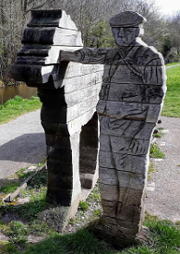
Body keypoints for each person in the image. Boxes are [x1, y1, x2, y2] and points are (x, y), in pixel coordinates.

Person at [60, 11, 166, 241]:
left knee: (130, 177)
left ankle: (126, 229)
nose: (121, 35)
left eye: (127, 30)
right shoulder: (114, 55)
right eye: (117, 31)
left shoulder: (150, 58)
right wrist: (63, 53)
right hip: (107, 127)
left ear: (138, 30)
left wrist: (144, 137)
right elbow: (89, 55)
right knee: (108, 174)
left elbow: (155, 99)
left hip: (132, 133)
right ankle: (110, 221)